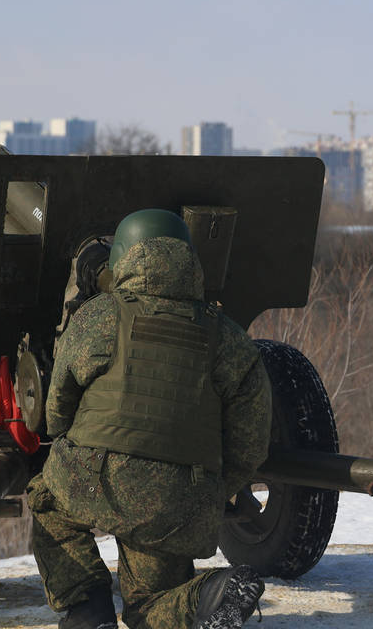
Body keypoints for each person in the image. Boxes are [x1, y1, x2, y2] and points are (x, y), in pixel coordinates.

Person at [28, 208, 272, 628]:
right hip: (180, 497)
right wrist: (208, 489)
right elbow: (250, 444)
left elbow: (55, 411)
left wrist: (78, 448)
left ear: (123, 258)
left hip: (94, 477)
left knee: (47, 500)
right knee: (151, 603)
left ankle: (87, 609)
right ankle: (211, 596)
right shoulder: (229, 338)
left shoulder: (98, 317)